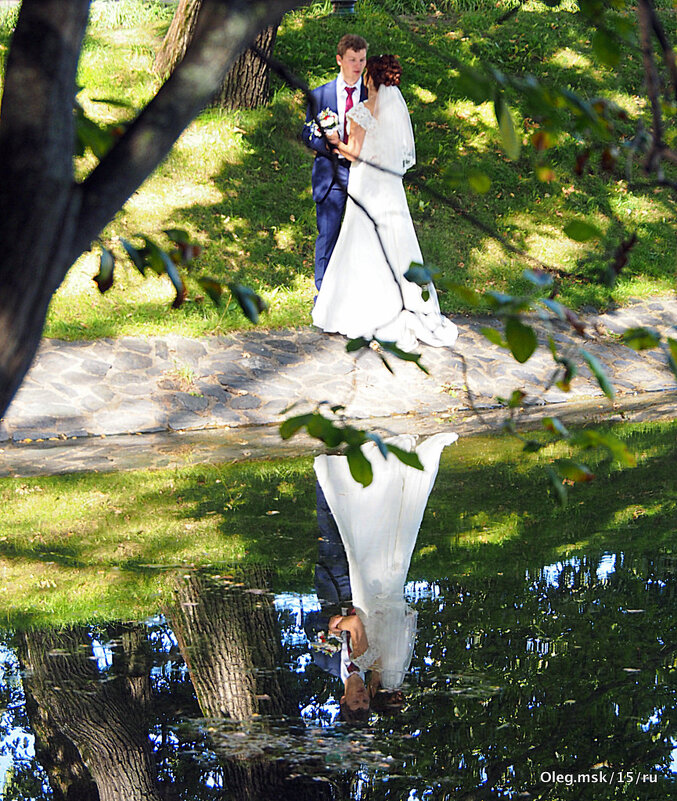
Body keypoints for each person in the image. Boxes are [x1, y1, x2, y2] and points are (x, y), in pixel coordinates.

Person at [312, 55, 459, 352]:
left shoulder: (361, 112)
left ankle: (363, 310)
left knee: (360, 243)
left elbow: (352, 154)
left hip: (366, 186)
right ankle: (405, 306)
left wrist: (332, 138)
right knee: (397, 244)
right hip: (391, 188)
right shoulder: (396, 114)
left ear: (370, 79)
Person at [313, 432, 458, 694]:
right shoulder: (366, 661)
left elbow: (409, 615)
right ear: (372, 691)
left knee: (357, 530)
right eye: (366, 699)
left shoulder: (334, 661)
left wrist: (331, 625)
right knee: (352, 529)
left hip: (371, 584)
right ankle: (343, 470)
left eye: (357, 702)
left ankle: (351, 473)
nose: (361, 696)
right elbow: (356, 624)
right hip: (367, 590)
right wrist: (339, 625)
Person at [302, 34, 369, 293]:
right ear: (339, 59)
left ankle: (355, 293)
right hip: (331, 173)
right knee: (328, 235)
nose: (358, 65)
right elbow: (307, 132)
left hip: (363, 174)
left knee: (361, 236)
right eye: (352, 59)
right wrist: (328, 143)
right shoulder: (321, 95)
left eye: (362, 59)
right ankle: (325, 294)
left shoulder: (370, 94)